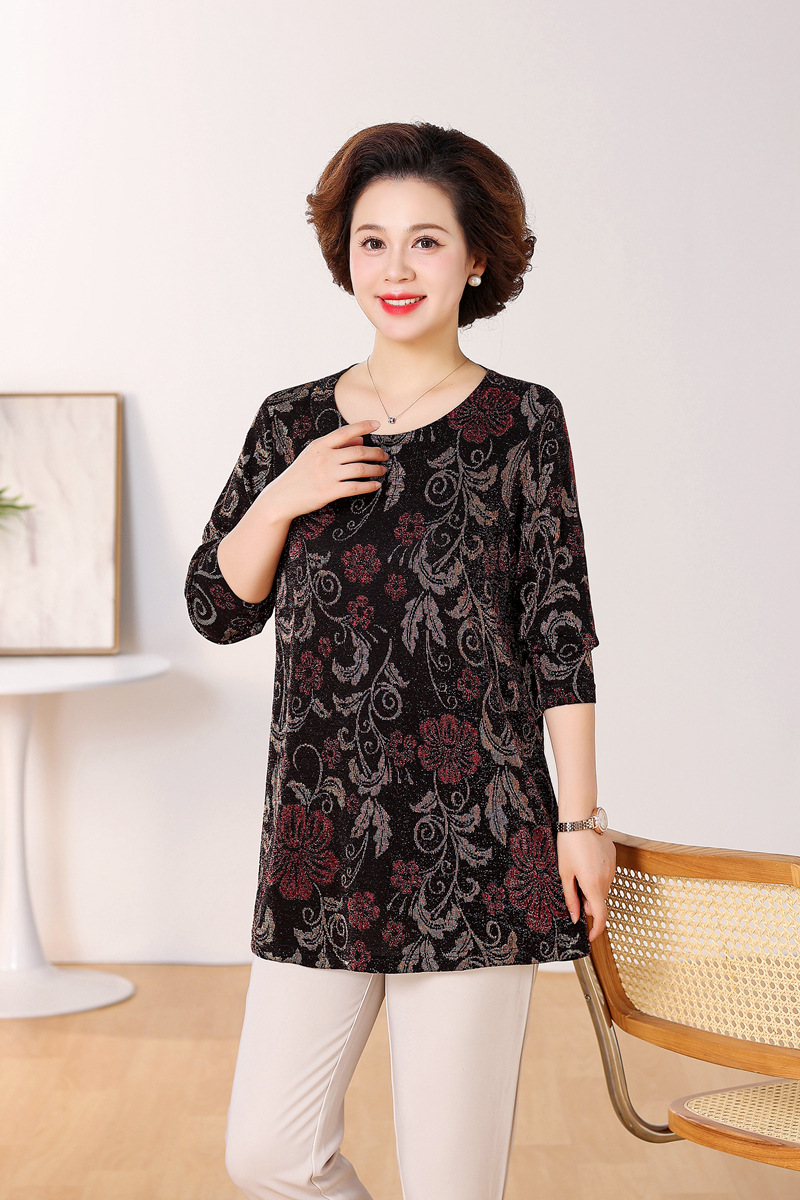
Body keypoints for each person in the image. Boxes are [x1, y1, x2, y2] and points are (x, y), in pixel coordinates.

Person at [185, 121, 616, 1200]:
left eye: (426, 241)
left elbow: (556, 630)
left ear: (475, 259)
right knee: (268, 1154)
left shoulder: (521, 422)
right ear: (345, 257)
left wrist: (579, 822)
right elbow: (216, 607)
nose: (395, 267)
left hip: (478, 840)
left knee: (450, 1182)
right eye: (371, 241)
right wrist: (283, 497)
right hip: (316, 843)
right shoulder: (291, 421)